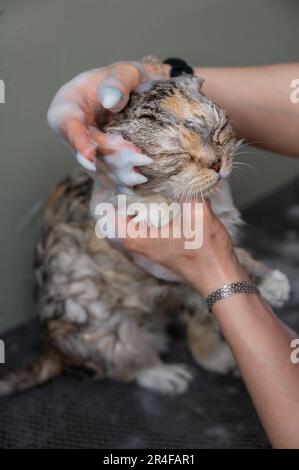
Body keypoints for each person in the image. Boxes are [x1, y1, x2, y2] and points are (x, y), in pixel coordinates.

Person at [47, 61, 299, 449]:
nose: (216, 163)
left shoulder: (203, 166)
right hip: (111, 310)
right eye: (181, 157)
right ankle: (139, 369)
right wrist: (159, 69)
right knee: (120, 341)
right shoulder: (125, 193)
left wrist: (167, 76)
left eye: (218, 133)